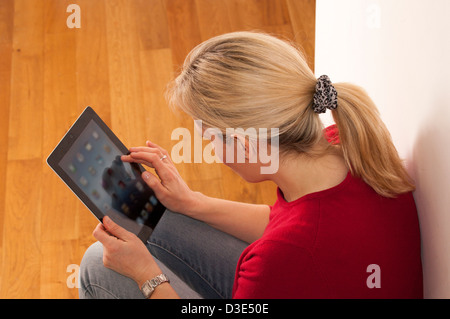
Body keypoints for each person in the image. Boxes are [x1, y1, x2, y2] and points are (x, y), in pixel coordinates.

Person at [79, 31, 423, 299]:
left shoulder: (282, 257)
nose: (207, 147)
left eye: (206, 133)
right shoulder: (344, 142)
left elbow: (292, 244)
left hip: (292, 273)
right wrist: (192, 203)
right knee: (163, 219)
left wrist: (146, 276)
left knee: (98, 264)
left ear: (245, 146)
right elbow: (285, 223)